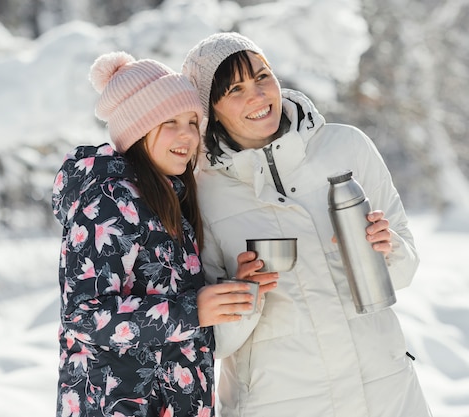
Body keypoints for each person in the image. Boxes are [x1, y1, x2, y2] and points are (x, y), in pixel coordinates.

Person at [181, 32, 432, 417]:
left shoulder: (347, 147)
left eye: (263, 76)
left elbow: (406, 270)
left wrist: (388, 246)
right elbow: (212, 341)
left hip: (383, 388)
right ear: (210, 108)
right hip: (278, 400)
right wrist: (244, 294)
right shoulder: (202, 192)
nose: (258, 96)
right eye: (235, 89)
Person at [51, 51, 255, 417]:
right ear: (138, 128)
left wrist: (229, 288)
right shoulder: (108, 201)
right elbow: (84, 315)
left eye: (193, 122)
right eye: (169, 122)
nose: (187, 135)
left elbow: (166, 294)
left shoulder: (169, 198)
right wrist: (193, 311)